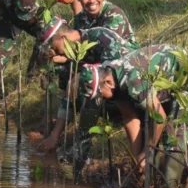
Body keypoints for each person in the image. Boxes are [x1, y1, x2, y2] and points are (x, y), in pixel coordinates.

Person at [77, 44, 188, 174]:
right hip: (164, 83)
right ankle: (149, 178)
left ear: (108, 83)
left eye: (100, 94)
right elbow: (130, 118)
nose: (102, 99)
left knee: (175, 135)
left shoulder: (133, 80)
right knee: (148, 135)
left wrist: (147, 150)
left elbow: (159, 118)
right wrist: (136, 159)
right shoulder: (112, 79)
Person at [38, 23, 138, 154]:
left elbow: (110, 82)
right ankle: (72, 141)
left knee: (88, 88)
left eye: (55, 48)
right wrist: (54, 136)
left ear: (63, 38)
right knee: (73, 84)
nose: (56, 53)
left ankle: (83, 146)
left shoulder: (102, 38)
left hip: (130, 97)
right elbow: (70, 90)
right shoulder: (77, 48)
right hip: (111, 97)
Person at [71, 0, 136, 42]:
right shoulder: (81, 17)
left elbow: (107, 42)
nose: (92, 0)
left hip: (127, 52)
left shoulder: (114, 13)